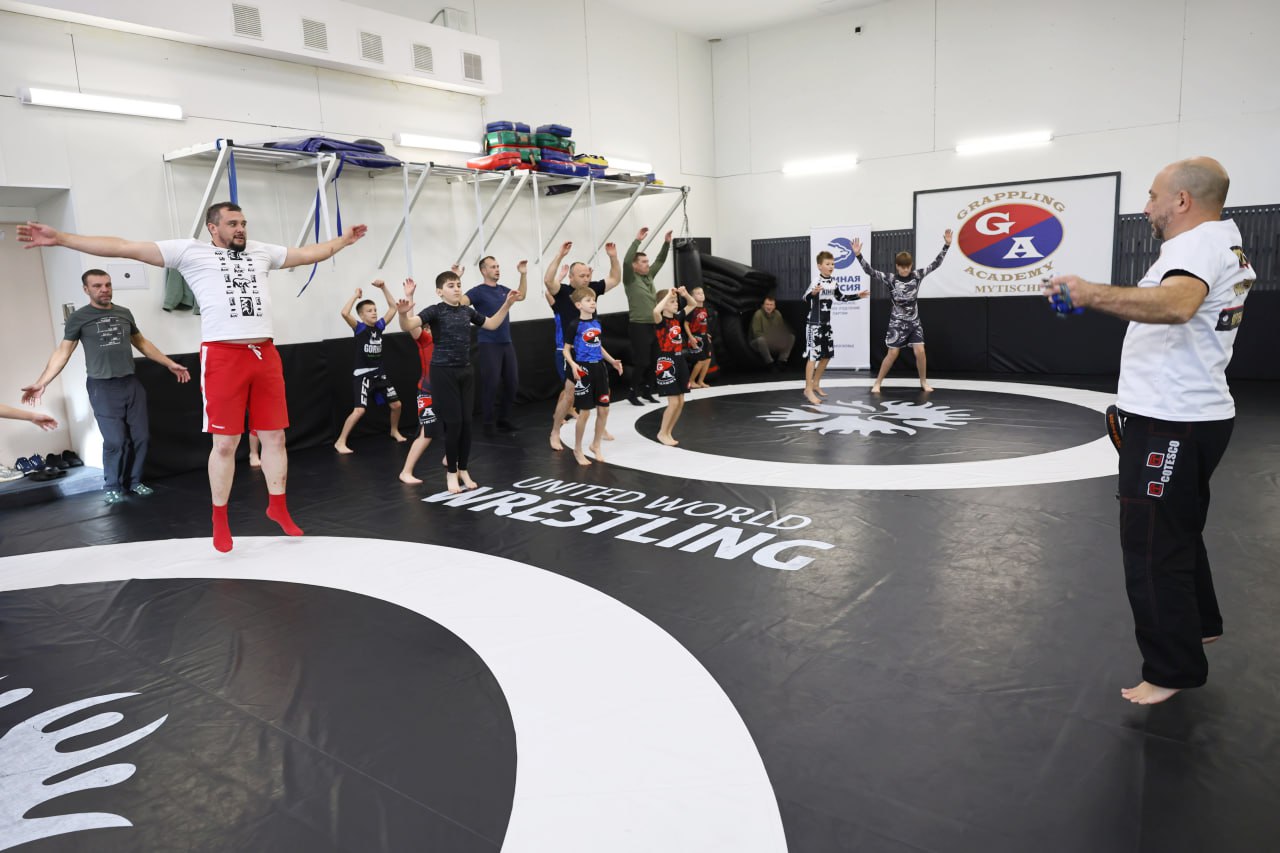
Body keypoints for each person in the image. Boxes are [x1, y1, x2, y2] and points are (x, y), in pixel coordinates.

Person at [18, 203, 367, 552]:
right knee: (226, 443)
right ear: (213, 228)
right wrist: (61, 237)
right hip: (223, 356)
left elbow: (306, 254)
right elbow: (123, 246)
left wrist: (343, 241)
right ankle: (220, 518)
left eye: (243, 223)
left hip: (264, 353)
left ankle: (278, 506)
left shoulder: (261, 251)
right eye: (232, 223)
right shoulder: (189, 252)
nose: (241, 229)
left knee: (275, 437)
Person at [1043, 156, 1252, 706]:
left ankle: (1170, 670)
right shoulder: (1222, 242)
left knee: (1152, 545)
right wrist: (1096, 301)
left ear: (1182, 200)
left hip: (1170, 421)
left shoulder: (1195, 246)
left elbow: (1178, 305)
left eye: (1154, 195)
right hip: (1195, 415)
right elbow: (1166, 307)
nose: (1146, 207)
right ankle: (1200, 623)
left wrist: (1090, 293)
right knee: (1178, 529)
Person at [21, 269, 190, 503]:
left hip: (130, 383)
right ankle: (112, 485)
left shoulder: (124, 313)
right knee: (115, 441)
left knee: (141, 437)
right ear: (86, 289)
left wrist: (169, 363)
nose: (104, 290)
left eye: (108, 285)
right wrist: (42, 382)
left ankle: (135, 482)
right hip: (102, 387)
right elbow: (63, 352)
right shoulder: (79, 317)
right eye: (97, 286)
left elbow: (142, 343)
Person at [397, 269, 518, 494]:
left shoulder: (467, 311)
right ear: (440, 292)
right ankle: (451, 472)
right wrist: (403, 314)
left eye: (459, 285)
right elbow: (408, 325)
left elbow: (492, 324)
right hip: (443, 373)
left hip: (465, 371)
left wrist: (507, 305)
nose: (457, 289)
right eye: (451, 286)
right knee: (453, 424)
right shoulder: (435, 310)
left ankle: (463, 469)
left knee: (466, 424)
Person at [543, 240, 621, 450]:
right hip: (571, 352)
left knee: (601, 392)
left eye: (588, 275)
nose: (586, 279)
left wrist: (613, 257)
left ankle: (600, 428)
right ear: (571, 277)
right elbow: (548, 281)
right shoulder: (563, 292)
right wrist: (560, 255)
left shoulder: (592, 289)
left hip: (592, 351)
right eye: (582, 276)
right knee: (569, 395)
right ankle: (555, 431)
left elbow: (615, 279)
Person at [853, 230, 951, 394]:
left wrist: (946, 245)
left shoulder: (917, 276)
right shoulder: (891, 279)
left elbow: (935, 264)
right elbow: (870, 271)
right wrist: (858, 255)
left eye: (907, 267)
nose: (905, 270)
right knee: (893, 353)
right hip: (897, 322)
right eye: (902, 267)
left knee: (920, 351)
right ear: (897, 266)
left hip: (914, 321)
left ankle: (923, 381)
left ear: (911, 266)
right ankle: (877, 382)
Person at [334, 280, 405, 453]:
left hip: (379, 375)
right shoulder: (360, 329)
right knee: (359, 411)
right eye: (369, 311)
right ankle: (340, 441)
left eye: (375, 310)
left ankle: (394, 430)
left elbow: (393, 308)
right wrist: (355, 296)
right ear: (361, 315)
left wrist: (384, 287)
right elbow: (344, 312)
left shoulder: (379, 327)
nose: (374, 313)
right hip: (363, 376)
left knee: (396, 405)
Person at [466, 256, 528, 433]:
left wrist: (523, 274)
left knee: (512, 383)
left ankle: (503, 419)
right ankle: (488, 423)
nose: (497, 269)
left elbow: (521, 295)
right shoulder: (478, 292)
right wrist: (457, 278)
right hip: (488, 343)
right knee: (491, 384)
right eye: (493, 267)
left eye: (498, 266)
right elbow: (460, 303)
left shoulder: (503, 290)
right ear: (483, 270)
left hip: (506, 342)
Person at [562, 288, 623, 466]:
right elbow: (566, 349)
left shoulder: (597, 322)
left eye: (593, 299)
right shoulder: (574, 325)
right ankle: (577, 448)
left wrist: (612, 361)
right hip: (584, 369)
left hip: (599, 369)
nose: (593, 302)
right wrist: (573, 364)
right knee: (585, 412)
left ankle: (595, 444)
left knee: (604, 409)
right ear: (578, 305)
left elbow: (598, 345)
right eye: (588, 300)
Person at [803, 249, 867, 405]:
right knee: (813, 356)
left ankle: (816, 384)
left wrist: (857, 296)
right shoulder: (816, 281)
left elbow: (840, 297)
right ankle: (808, 389)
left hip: (826, 324)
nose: (831, 266)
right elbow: (805, 297)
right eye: (828, 264)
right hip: (814, 324)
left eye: (832, 264)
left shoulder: (833, 282)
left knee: (826, 356)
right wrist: (813, 293)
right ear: (819, 266)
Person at [396, 278, 441, 485]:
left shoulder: (446, 342)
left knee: (456, 425)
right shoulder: (425, 339)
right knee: (427, 432)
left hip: (444, 391)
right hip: (427, 392)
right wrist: (409, 297)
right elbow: (412, 326)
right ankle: (406, 471)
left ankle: (450, 458)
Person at [622, 227, 672, 404]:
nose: (647, 264)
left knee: (655, 360)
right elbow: (626, 261)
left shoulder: (649, 276)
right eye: (643, 262)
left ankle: (647, 391)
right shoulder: (630, 279)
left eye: (647, 261)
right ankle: (632, 392)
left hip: (654, 325)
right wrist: (637, 240)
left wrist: (666, 243)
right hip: (639, 325)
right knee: (642, 361)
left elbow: (660, 260)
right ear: (635, 265)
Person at [653, 286, 694, 446]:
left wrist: (685, 294)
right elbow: (656, 311)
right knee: (674, 402)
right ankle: (662, 432)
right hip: (666, 361)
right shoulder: (660, 321)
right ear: (663, 304)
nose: (676, 303)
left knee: (681, 401)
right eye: (672, 301)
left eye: (676, 301)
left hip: (679, 360)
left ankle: (668, 431)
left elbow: (692, 304)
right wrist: (666, 297)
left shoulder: (677, 317)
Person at [749, 294, 795, 370]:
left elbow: (781, 330)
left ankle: (782, 361)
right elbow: (756, 333)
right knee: (761, 340)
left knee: (791, 337)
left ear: (774, 306)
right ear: (763, 305)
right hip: (757, 342)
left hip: (773, 341)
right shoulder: (758, 314)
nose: (769, 307)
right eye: (767, 304)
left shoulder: (777, 314)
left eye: (771, 305)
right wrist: (771, 339)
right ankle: (770, 364)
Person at [684, 285, 713, 389]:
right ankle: (691, 381)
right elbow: (686, 324)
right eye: (698, 293)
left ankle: (700, 381)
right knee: (700, 360)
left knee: (708, 359)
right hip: (695, 338)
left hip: (704, 336)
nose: (701, 295)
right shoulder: (691, 309)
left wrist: (706, 333)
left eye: (702, 293)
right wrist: (691, 337)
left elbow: (703, 323)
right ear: (692, 297)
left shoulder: (704, 309)